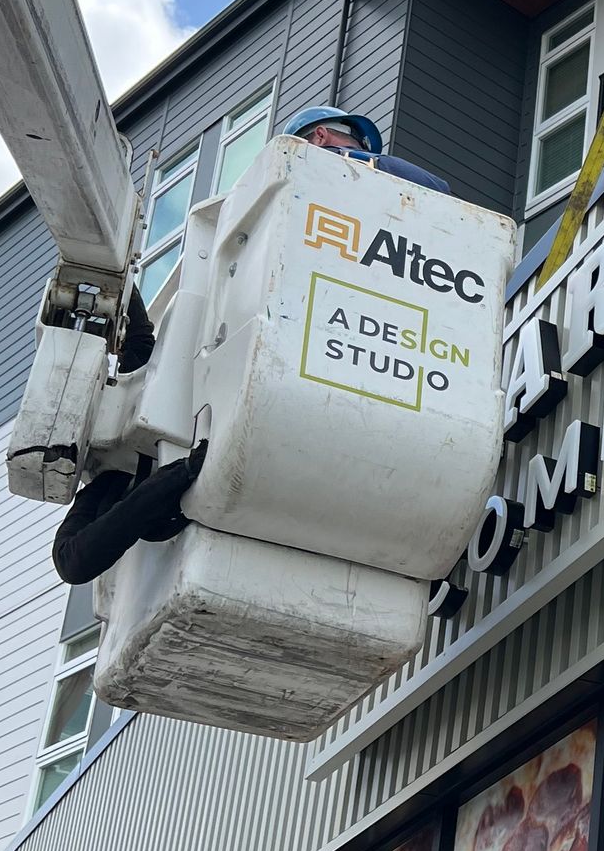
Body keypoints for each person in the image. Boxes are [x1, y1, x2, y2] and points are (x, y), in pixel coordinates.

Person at [51, 105, 449, 584]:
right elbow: (143, 344)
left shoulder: (326, 198)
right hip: (182, 441)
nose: (364, 159)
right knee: (80, 553)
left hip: (214, 428)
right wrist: (108, 271)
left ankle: (177, 477)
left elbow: (430, 190)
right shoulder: (264, 223)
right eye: (360, 151)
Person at [280, 105, 451, 193]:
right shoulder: (385, 166)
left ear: (321, 135)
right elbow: (441, 189)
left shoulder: (294, 179)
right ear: (320, 136)